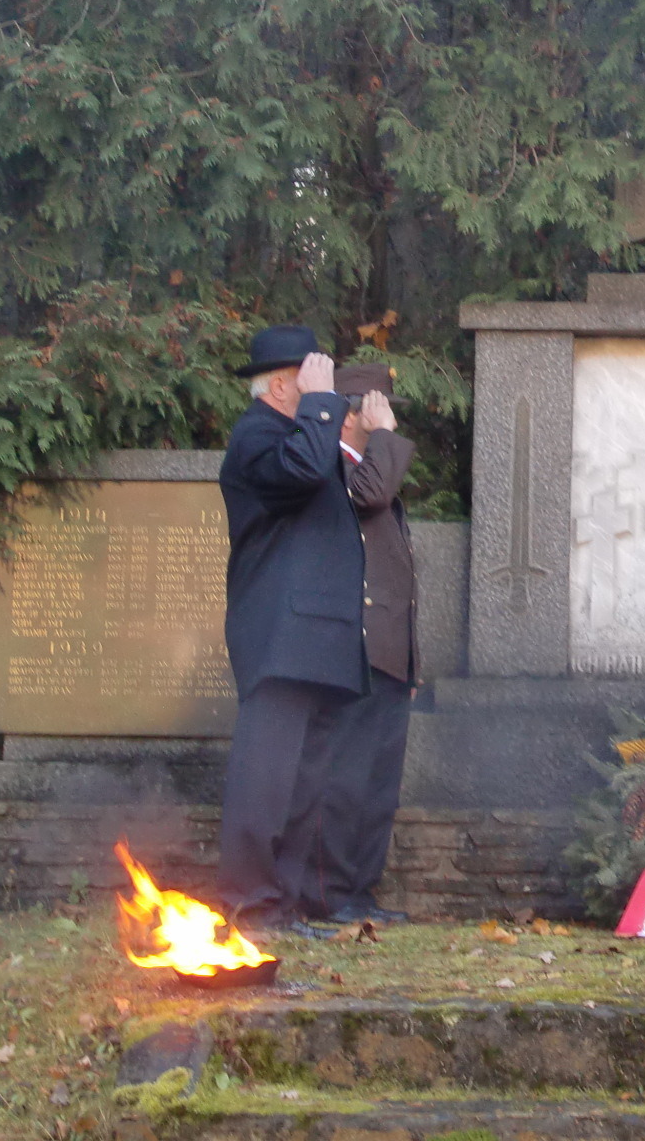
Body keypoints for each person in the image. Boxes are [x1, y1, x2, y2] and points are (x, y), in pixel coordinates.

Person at [214, 325, 367, 936]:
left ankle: (283, 905)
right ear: (281, 385)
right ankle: (250, 903)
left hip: (318, 639)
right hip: (281, 636)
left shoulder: (302, 435)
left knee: (304, 785)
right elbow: (301, 471)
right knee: (266, 781)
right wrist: (323, 404)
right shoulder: (257, 435)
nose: (329, 392)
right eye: (312, 379)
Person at [306, 365, 421, 928]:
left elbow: (400, 580)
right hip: (353, 654)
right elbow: (369, 495)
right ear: (352, 414)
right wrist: (385, 436)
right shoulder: (332, 467)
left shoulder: (372, 468)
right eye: (378, 408)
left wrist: (409, 663)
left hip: (387, 660)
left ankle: (359, 889)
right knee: (345, 782)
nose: (386, 417)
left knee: (378, 788)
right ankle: (329, 894)